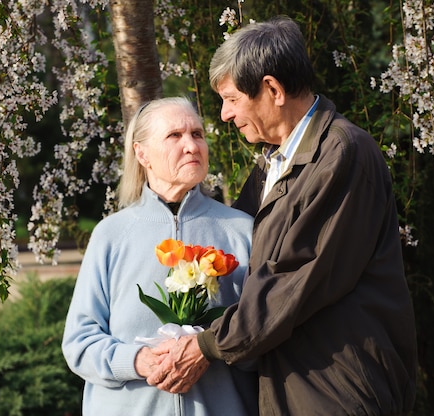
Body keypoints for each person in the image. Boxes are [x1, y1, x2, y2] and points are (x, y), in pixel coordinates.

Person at [147, 16, 418, 415]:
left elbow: (295, 280)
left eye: (232, 99)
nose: (223, 114)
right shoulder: (274, 163)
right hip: (292, 384)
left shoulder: (342, 154)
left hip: (338, 388)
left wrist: (207, 345)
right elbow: (234, 253)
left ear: (272, 89)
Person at [61, 97, 258, 415]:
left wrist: (210, 349)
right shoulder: (110, 236)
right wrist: (136, 360)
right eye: (175, 136)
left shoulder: (241, 230)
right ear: (142, 153)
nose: (192, 146)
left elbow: (264, 332)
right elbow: (79, 342)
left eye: (197, 134)